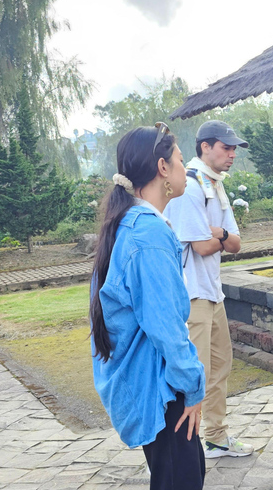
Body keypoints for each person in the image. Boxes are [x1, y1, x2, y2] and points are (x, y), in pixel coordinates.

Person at [90, 124, 206, 490]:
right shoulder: (148, 233)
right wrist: (193, 386)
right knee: (182, 480)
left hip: (148, 382)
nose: (185, 169)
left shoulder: (126, 224)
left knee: (178, 474)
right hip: (164, 388)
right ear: (162, 168)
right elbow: (165, 326)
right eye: (181, 160)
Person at [164, 120, 252, 458]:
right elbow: (201, 247)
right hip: (192, 296)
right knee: (194, 376)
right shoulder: (188, 185)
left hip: (214, 294)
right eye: (226, 148)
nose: (232, 154)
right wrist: (218, 235)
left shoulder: (215, 184)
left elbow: (236, 243)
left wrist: (216, 233)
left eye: (233, 149)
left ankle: (216, 437)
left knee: (220, 368)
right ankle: (187, 450)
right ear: (205, 147)